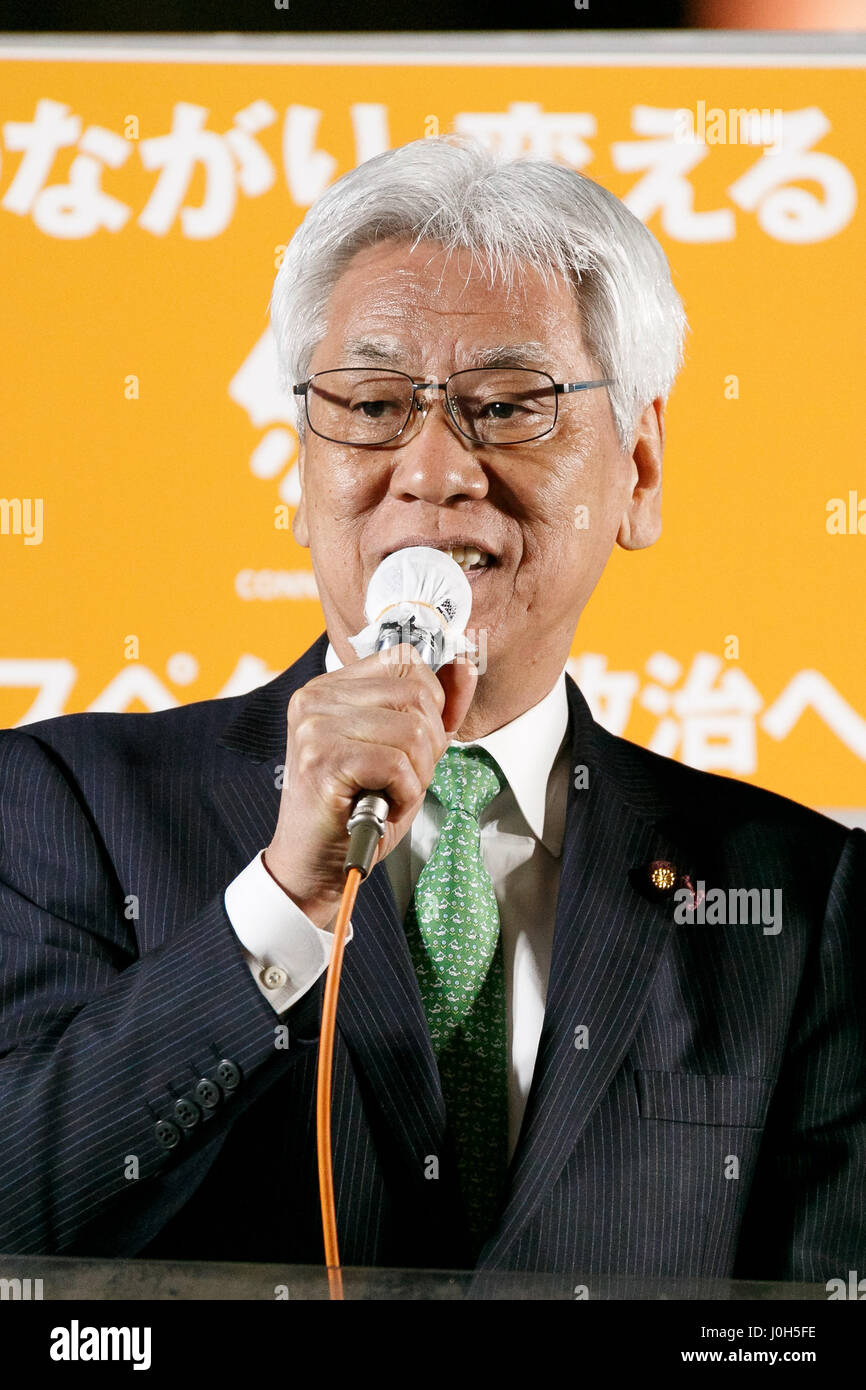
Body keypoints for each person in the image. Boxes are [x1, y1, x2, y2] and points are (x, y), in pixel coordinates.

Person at [0, 138, 863, 1281]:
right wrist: (281, 903)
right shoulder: (68, 806)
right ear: (298, 470)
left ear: (638, 470)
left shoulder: (800, 894)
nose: (432, 467)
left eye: (507, 406)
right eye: (368, 404)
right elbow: (21, 1208)